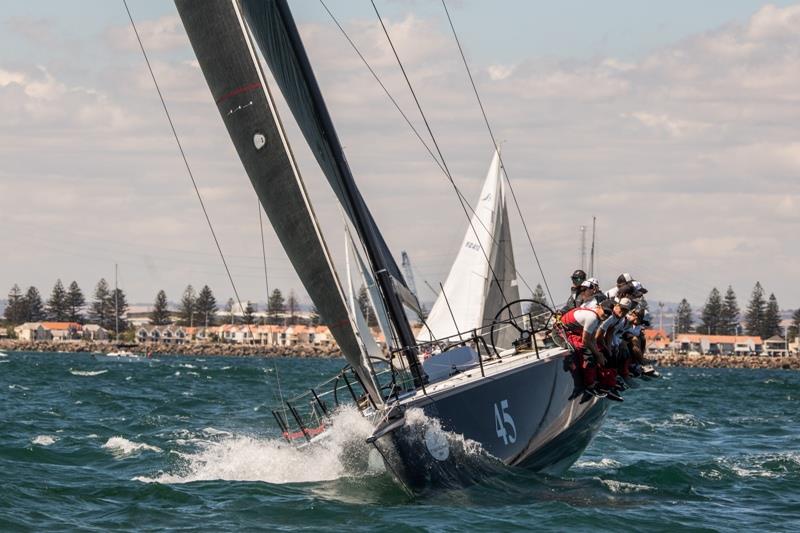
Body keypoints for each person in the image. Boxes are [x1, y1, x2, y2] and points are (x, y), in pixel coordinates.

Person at [558, 304, 622, 401]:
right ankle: (589, 386)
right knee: (588, 355)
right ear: (599, 307)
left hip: (573, 333)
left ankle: (603, 383)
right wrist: (597, 354)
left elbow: (592, 338)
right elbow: (585, 341)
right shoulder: (592, 318)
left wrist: (599, 354)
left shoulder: (598, 318)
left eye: (609, 313)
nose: (606, 315)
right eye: (605, 311)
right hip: (561, 333)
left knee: (599, 352)